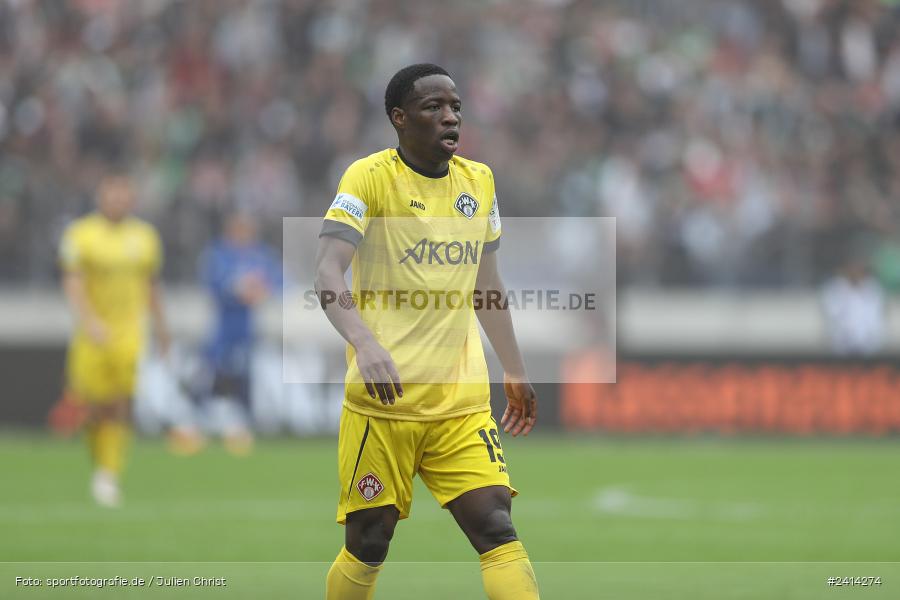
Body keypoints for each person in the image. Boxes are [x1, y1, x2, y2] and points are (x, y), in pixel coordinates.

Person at [315, 63, 540, 600]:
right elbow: (326, 270)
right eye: (433, 107)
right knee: (369, 542)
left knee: (496, 526)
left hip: (459, 402)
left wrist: (514, 366)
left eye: (455, 107)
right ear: (399, 118)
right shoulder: (368, 178)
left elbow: (487, 285)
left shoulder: (478, 182)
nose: (450, 117)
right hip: (383, 402)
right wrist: (364, 342)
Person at [60, 174, 168, 507]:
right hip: (92, 333)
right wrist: (89, 321)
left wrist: (163, 328)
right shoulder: (80, 234)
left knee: (121, 403)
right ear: (101, 195)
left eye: (125, 195)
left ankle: (108, 473)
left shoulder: (145, 237)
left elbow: (151, 287)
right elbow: (73, 282)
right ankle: (100, 462)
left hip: (129, 333)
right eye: (113, 194)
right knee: (91, 405)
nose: (119, 200)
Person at [198, 212, 282, 455]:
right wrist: (241, 288)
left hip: (250, 329)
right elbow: (216, 285)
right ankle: (206, 424)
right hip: (223, 329)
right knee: (216, 375)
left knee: (244, 377)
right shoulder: (218, 253)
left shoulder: (262, 255)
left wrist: (261, 290)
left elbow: (279, 282)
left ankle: (241, 426)